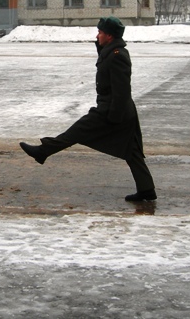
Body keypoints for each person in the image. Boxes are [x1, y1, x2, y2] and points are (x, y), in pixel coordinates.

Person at [19, 16, 157, 202]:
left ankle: (43, 151)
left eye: (100, 32)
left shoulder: (117, 56)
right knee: (132, 152)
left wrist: (113, 117)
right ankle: (147, 190)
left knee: (76, 131)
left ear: (109, 35)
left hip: (113, 110)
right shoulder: (112, 52)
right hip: (120, 110)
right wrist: (101, 48)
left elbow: (122, 90)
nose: (97, 35)